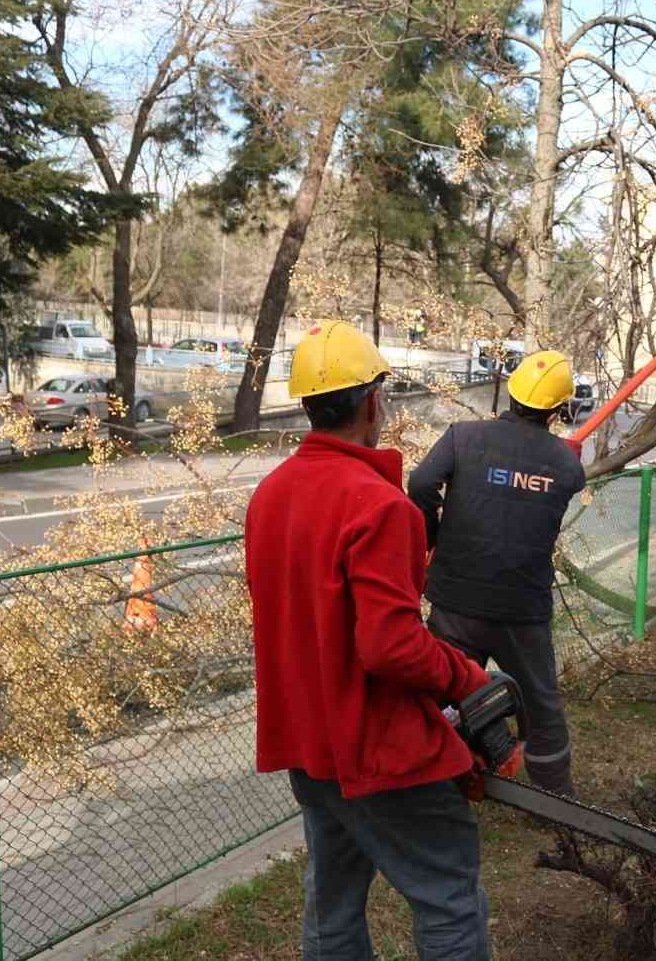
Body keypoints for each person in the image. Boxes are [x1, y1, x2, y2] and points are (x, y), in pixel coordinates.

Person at [246, 319, 507, 961]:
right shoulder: (379, 506)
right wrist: (469, 679)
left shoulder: (270, 495)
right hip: (373, 745)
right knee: (448, 895)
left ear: (308, 404)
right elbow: (390, 646)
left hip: (308, 741)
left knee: (331, 905)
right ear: (373, 400)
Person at [408, 351, 586, 798]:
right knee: (541, 707)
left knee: (438, 698)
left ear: (513, 390)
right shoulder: (565, 464)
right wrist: (560, 457)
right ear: (560, 409)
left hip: (456, 602)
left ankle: (422, 787)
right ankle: (557, 798)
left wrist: (431, 534)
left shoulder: (462, 437)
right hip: (520, 612)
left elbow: (421, 484)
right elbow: (567, 483)